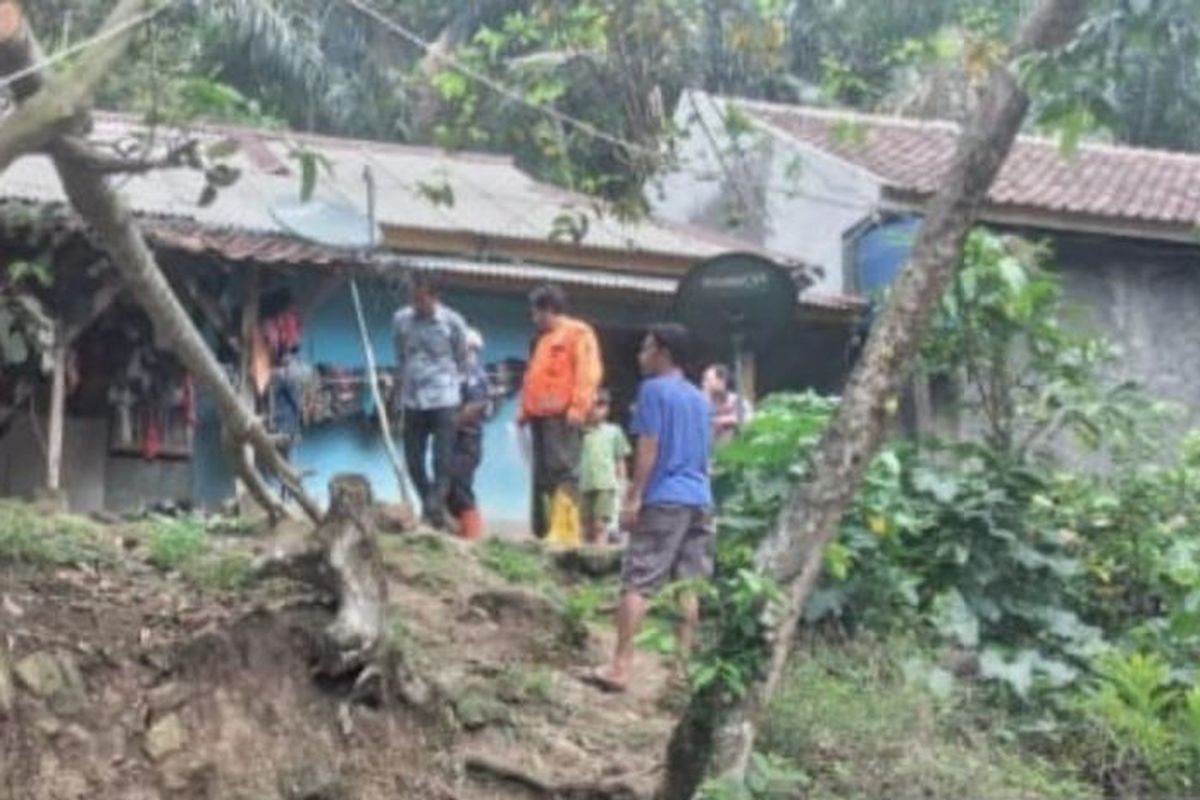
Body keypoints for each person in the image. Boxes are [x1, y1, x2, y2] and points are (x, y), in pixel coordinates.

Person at [585, 324, 713, 692]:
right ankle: (681, 673)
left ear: (663, 352)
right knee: (688, 585)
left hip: (664, 498)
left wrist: (634, 496)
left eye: (645, 349)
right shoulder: (699, 398)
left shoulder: (654, 390)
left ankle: (620, 666)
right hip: (700, 498)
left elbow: (648, 446)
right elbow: (706, 455)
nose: (640, 357)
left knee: (638, 580)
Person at [519, 284, 603, 548]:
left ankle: (565, 531)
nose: (533, 319)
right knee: (542, 475)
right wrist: (524, 410)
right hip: (538, 416)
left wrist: (579, 407)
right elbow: (534, 378)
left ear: (549, 310)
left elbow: (588, 372)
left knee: (564, 471)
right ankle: (545, 531)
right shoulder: (542, 340)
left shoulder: (578, 333)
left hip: (563, 415)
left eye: (536, 313)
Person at [393, 274, 469, 530]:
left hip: (444, 398)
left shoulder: (453, 322)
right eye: (413, 298)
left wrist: (454, 387)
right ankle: (434, 510)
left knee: (441, 461)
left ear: (436, 297)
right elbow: (401, 356)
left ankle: (433, 510)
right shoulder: (401, 320)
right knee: (413, 460)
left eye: (422, 298)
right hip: (413, 399)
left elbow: (461, 359)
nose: (416, 303)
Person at [447, 328, 492, 540]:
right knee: (447, 487)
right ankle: (453, 536)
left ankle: (473, 536)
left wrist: (451, 422)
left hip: (467, 439)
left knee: (460, 485)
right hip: (452, 439)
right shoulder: (454, 373)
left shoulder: (475, 374)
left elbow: (477, 405)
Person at [579, 389, 630, 545]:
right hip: (583, 485)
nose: (596, 410)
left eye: (601, 405)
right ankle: (586, 561)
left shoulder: (614, 432)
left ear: (607, 408)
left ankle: (600, 555)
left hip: (605, 484)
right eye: (593, 405)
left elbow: (619, 460)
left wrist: (623, 485)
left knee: (601, 524)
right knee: (584, 525)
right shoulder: (579, 432)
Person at [703, 363, 753, 445]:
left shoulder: (738, 401)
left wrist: (724, 420)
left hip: (733, 451)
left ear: (721, 381)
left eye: (708, 380)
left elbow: (749, 420)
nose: (704, 384)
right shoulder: (702, 403)